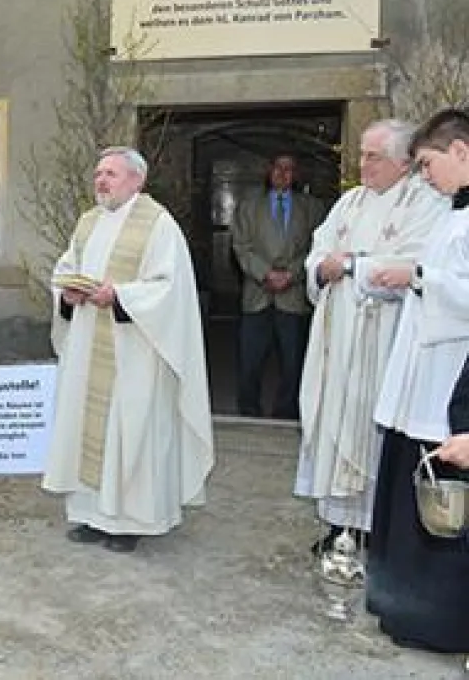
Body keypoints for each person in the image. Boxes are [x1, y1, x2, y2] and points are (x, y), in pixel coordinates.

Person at [42, 147, 213, 553]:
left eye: (112, 174)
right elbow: (66, 268)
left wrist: (119, 296)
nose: (101, 181)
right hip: (89, 344)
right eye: (99, 173)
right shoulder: (88, 222)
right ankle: (90, 515)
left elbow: (169, 290)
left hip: (136, 349)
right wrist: (67, 294)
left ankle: (129, 522)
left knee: (132, 429)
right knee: (89, 424)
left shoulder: (157, 225)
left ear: (137, 180)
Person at [293, 121, 445, 555]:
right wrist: (321, 268)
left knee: (371, 424)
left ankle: (377, 525)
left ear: (403, 161)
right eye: (361, 154)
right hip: (336, 333)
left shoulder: (427, 203)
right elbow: (319, 250)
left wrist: (354, 265)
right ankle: (340, 524)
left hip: (384, 336)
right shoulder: (350, 202)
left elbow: (415, 263)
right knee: (333, 420)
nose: (363, 164)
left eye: (372, 156)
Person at [367, 108, 469, 656]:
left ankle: (438, 622)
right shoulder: (451, 216)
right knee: (406, 490)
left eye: (428, 164)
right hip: (420, 378)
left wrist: (421, 277)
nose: (425, 176)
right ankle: (399, 606)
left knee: (442, 504)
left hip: (451, 383)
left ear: (460, 151)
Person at [230, 154, 325, 420]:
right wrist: (265, 274)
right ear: (268, 169)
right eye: (278, 167)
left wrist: (291, 275)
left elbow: (316, 247)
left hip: (293, 297)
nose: (283, 173)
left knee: (293, 362)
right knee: (250, 360)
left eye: (290, 168)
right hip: (256, 295)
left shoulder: (313, 208)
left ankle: (286, 412)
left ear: (297, 173)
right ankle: (248, 412)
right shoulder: (248, 206)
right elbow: (240, 246)